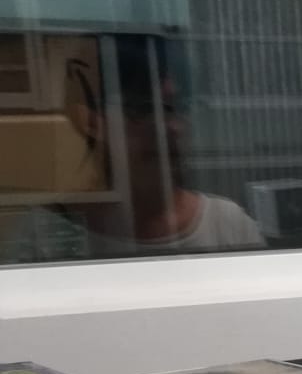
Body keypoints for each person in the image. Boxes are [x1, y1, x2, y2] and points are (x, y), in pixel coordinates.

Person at [0, 32, 264, 262]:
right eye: (142, 108)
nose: (172, 127)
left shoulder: (228, 225)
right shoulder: (47, 233)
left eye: (180, 107)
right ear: (91, 120)